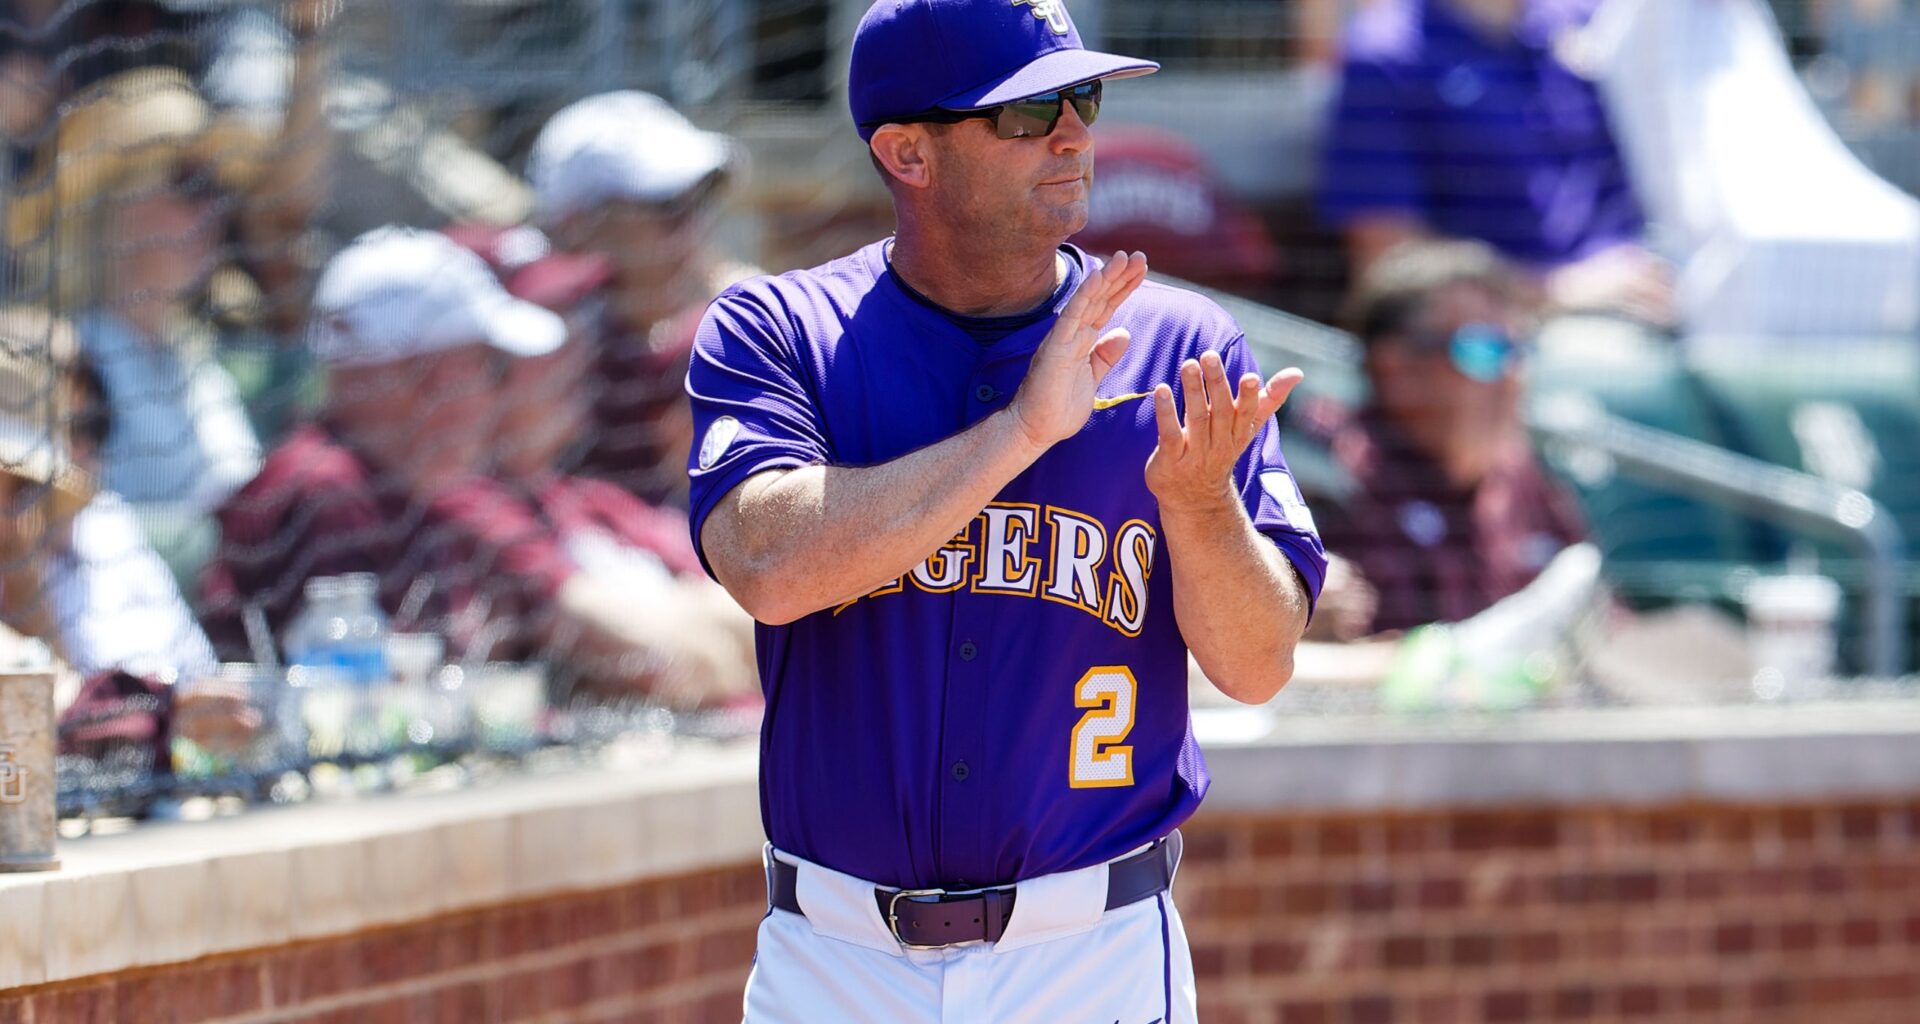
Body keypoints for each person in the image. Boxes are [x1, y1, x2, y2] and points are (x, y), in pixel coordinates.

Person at [686, 2, 1326, 1020]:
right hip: (842, 956)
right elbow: (766, 565)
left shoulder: (1177, 345)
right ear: (908, 152)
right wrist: (1024, 429)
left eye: (1081, 95)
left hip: (1093, 950)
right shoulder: (781, 331)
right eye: (1027, 112)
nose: (1074, 130)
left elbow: (1258, 667)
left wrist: (1201, 507)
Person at [201, 227, 749, 708]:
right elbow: (360, 709)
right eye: (487, 367)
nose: (493, 399)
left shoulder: (405, 488)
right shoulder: (327, 488)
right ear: (425, 378)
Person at [450, 223, 759, 709]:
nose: (575, 348)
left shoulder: (589, 499)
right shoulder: (468, 510)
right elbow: (686, 661)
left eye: (577, 318)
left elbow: (775, 617)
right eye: (542, 329)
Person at [1317, 0, 1676, 327]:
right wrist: (1561, 292)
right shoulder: (1385, 51)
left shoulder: (1595, 23)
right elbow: (1388, 265)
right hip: (1500, 343)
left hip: (1660, 304)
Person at [0, 306, 256, 751]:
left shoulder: (108, 526)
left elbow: (203, 684)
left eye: (90, 427)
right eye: (17, 486)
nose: (84, 450)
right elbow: (45, 730)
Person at [1302, 239, 1587, 638]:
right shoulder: (1326, 474)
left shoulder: (1522, 475)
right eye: (1484, 350)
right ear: (1395, 367)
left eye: (1518, 350)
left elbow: (1600, 625)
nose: (1511, 375)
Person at [526, 90, 762, 508]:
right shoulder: (532, 353)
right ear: (579, 225)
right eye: (668, 208)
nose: (694, 229)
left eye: (701, 201)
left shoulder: (720, 327)